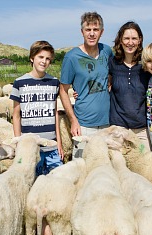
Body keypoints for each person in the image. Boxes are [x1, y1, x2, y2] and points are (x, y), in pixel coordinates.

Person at [59, 11, 113, 158]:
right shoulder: (71, 57)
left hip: (108, 124)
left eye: (95, 30)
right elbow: (63, 91)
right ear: (81, 32)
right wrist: (73, 120)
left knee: (105, 169)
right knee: (81, 167)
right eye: (88, 30)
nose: (91, 34)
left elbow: (113, 74)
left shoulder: (107, 51)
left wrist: (110, 84)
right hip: (83, 125)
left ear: (101, 32)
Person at [10, 40, 64, 175]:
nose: (44, 61)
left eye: (48, 59)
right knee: (31, 182)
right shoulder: (19, 83)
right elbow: (16, 116)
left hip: (51, 147)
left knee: (56, 182)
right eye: (41, 57)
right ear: (32, 57)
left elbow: (55, 113)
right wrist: (18, 144)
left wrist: (59, 143)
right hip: (30, 147)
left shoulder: (54, 82)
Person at [108, 21, 152, 152]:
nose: (130, 42)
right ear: (120, 40)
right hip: (118, 130)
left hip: (141, 130)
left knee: (144, 167)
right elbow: (98, 82)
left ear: (140, 40)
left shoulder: (146, 65)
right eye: (126, 38)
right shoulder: (112, 64)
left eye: (134, 38)